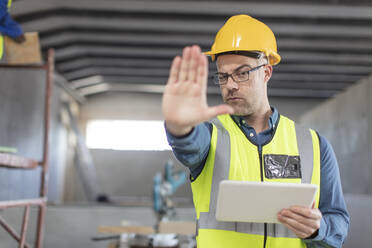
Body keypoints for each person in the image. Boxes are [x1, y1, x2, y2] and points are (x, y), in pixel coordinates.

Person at [162, 15, 349, 248]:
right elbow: (187, 144)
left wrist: (318, 230)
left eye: (243, 73)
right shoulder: (210, 136)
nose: (231, 84)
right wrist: (179, 126)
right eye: (223, 76)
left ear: (267, 72)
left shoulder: (313, 144)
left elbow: (338, 222)